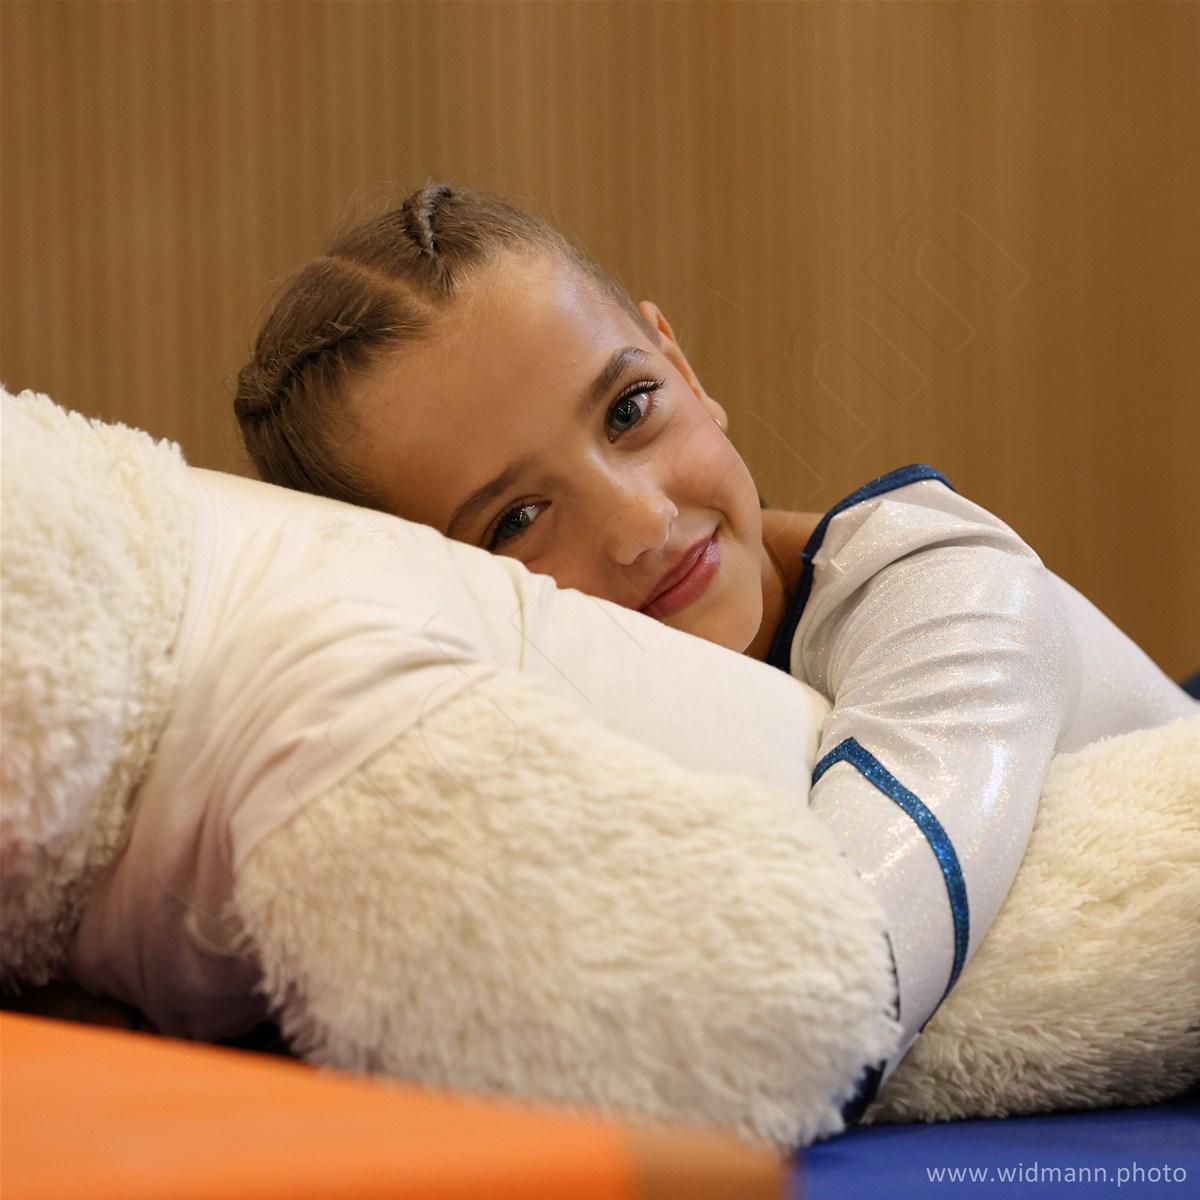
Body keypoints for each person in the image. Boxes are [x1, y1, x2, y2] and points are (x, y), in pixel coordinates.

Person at [233, 183, 1196, 1109]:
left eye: (628, 410)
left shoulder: (955, 596)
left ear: (684, 369)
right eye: (517, 519)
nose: (641, 522)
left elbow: (830, 993)